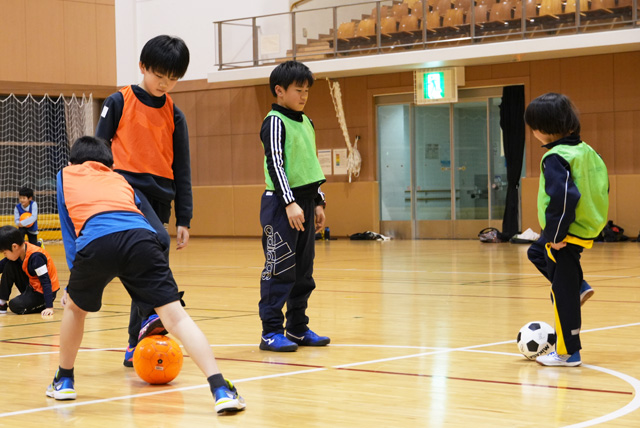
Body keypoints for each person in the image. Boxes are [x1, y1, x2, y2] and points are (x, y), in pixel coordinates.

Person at [46, 136, 245, 414]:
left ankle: (64, 380)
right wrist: (153, 261)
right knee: (176, 317)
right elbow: (160, 233)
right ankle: (220, 389)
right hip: (142, 240)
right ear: (109, 164)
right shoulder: (121, 180)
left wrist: (74, 279)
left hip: (95, 241)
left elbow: (69, 229)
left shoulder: (65, 175)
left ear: (72, 162)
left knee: (75, 310)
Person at [95, 35, 193, 367]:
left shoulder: (175, 115)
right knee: (155, 244)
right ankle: (159, 311)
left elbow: (182, 169)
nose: (165, 84)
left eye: (173, 79)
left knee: (146, 266)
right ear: (142, 66)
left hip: (160, 198)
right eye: (159, 76)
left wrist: (184, 218)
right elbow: (97, 150)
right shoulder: (118, 101)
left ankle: (134, 342)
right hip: (125, 190)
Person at [524, 93, 609, 367]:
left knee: (562, 293)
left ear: (541, 129)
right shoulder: (587, 151)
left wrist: (556, 236)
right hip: (586, 226)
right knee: (536, 253)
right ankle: (579, 286)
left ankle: (567, 352)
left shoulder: (556, 157)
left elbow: (563, 199)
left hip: (566, 233)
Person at [258, 60, 330, 352]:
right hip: (280, 204)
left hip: (305, 203)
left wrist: (318, 202)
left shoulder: (307, 122)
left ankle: (297, 328)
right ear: (279, 91)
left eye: (307, 91)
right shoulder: (274, 122)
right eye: (298, 90)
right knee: (280, 269)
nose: (303, 96)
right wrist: (289, 203)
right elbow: (276, 164)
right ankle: (271, 331)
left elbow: (310, 165)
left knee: (303, 271)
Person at [0, 225, 58, 316]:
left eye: (5, 253)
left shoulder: (36, 257)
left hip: (43, 293)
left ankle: (41, 305)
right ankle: (2, 303)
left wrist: (49, 307)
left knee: (15, 305)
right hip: (32, 287)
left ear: (14, 246)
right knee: (10, 265)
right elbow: (1, 266)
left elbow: (46, 282)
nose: (5, 255)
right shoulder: (20, 250)